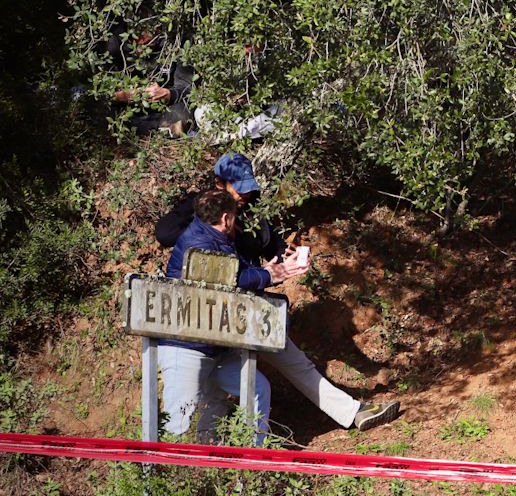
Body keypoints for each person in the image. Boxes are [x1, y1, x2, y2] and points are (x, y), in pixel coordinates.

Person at [156, 153, 399, 432]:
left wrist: (286, 258)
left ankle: (352, 412)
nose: (246, 194)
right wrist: (266, 271)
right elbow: (172, 239)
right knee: (208, 399)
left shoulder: (250, 207)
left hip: (244, 306)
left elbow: (267, 244)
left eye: (249, 187)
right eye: (239, 188)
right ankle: (202, 459)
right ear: (219, 184)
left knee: (290, 358)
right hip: (205, 319)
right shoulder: (202, 215)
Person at [157, 190, 284, 443]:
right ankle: (163, 478)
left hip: (214, 345)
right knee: (178, 423)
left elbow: (237, 269)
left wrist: (267, 270)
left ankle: (251, 462)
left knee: (256, 389)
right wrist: (269, 276)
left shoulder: (214, 237)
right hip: (186, 346)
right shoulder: (199, 243)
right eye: (235, 217)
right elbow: (229, 278)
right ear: (226, 218)